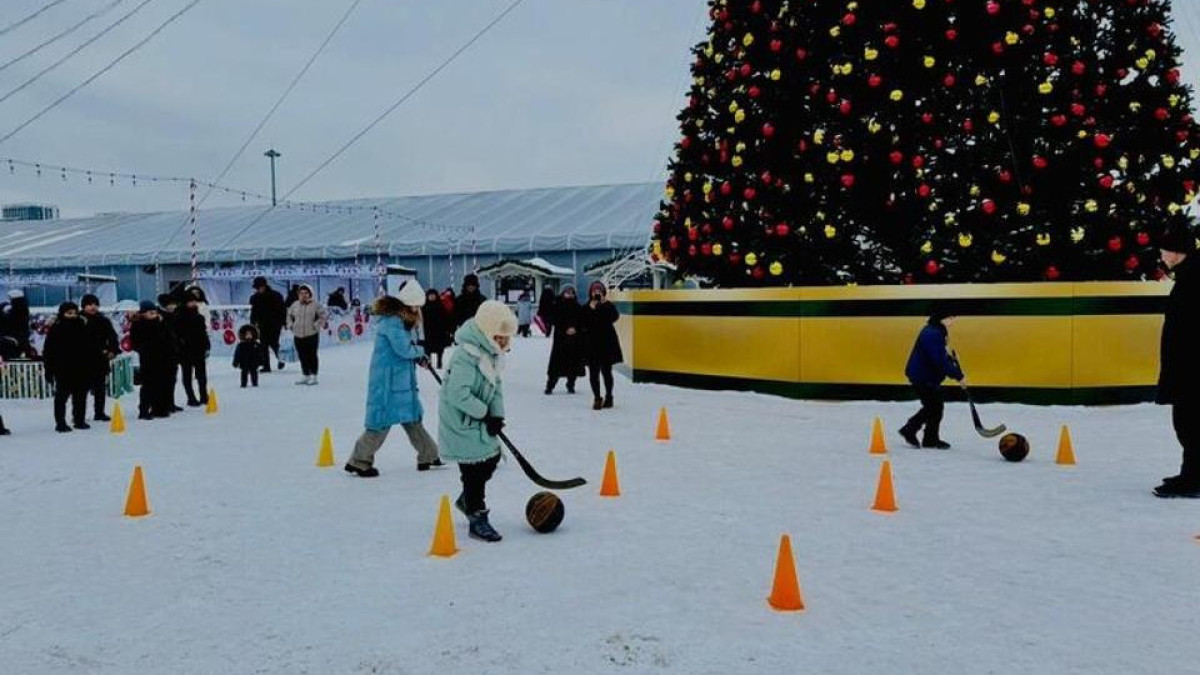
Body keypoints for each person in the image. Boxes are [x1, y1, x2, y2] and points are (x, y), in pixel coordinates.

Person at [345, 284, 442, 477]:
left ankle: (429, 454)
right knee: (380, 422)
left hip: (400, 380)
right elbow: (403, 349)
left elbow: (407, 348)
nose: (416, 309)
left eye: (418, 306)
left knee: (412, 417)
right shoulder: (392, 322)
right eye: (413, 306)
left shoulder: (402, 320)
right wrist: (420, 353)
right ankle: (359, 460)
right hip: (387, 382)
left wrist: (418, 356)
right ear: (404, 304)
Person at [439, 300, 516, 542]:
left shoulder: (490, 354)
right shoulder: (466, 356)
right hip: (461, 421)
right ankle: (476, 516)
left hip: (478, 419)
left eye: (506, 338)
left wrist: (497, 414)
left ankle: (468, 500)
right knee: (473, 470)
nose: (504, 342)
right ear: (486, 332)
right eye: (499, 337)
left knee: (491, 457)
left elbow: (496, 387)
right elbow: (458, 394)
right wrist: (484, 413)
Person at [1153, 227, 1200, 498]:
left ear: (1176, 252)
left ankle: (1194, 479)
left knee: (1191, 422)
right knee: (1186, 421)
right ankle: (1190, 474)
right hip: (1186, 364)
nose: (1161, 255)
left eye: (1164, 250)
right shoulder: (1188, 275)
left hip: (1192, 366)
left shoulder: (1194, 278)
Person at [898, 308, 965, 449]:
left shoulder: (936, 331)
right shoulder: (932, 333)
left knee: (935, 407)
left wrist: (950, 359)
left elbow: (939, 354)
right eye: (951, 318)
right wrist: (958, 376)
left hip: (927, 375)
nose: (953, 321)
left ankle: (929, 439)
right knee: (933, 406)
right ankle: (910, 430)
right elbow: (938, 359)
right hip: (922, 376)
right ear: (943, 318)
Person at [42, 302, 93, 432]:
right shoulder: (56, 329)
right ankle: (60, 422)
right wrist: (49, 370)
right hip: (63, 369)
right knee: (61, 397)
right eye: (69, 313)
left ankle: (79, 420)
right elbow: (48, 351)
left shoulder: (83, 327)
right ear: (62, 314)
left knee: (80, 396)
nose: (72, 316)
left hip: (81, 368)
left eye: (75, 313)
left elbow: (90, 348)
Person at [582, 281, 623, 410]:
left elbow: (615, 317)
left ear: (603, 292)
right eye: (594, 291)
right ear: (591, 293)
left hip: (607, 343)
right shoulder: (586, 306)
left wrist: (604, 304)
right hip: (591, 344)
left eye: (599, 291)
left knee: (607, 372)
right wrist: (591, 308)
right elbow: (582, 322)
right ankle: (597, 398)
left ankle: (609, 396)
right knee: (593, 373)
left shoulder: (608, 305)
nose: (597, 293)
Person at [131, 300, 174, 420]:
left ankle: (160, 409)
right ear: (143, 314)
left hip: (163, 358)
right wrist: (144, 349)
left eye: (154, 312)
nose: (153, 314)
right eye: (150, 312)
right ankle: (144, 410)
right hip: (148, 359)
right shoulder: (139, 325)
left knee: (162, 385)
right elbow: (135, 342)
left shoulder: (161, 323)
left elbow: (168, 338)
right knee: (148, 385)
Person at [80, 294, 119, 422]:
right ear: (84, 306)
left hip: (100, 359)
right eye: (90, 304)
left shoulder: (103, 320)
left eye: (95, 304)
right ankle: (79, 415)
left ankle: (99, 412)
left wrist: (113, 350)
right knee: (81, 390)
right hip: (83, 360)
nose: (93, 307)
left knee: (100, 388)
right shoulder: (79, 320)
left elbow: (112, 336)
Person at [546, 285, 585, 395]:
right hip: (560, 339)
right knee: (556, 364)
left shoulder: (577, 306)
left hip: (574, 340)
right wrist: (565, 328)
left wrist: (575, 329)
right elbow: (554, 319)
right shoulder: (557, 305)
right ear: (563, 293)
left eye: (571, 292)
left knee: (573, 363)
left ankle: (571, 384)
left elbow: (582, 321)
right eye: (567, 292)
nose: (569, 294)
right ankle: (550, 385)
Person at [287, 284, 327, 385]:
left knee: (312, 355)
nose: (304, 295)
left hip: (311, 334)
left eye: (306, 293)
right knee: (302, 355)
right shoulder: (295, 305)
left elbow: (322, 316)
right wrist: (291, 325)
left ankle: (313, 375)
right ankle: (305, 374)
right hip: (298, 334)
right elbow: (289, 316)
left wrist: (316, 325)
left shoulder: (316, 305)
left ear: (310, 294)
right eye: (301, 293)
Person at [178, 293, 211, 407]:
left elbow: (203, 332)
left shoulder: (199, 317)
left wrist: (207, 345)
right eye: (190, 301)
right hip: (185, 350)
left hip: (199, 349)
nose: (193, 303)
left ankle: (204, 395)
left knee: (201, 374)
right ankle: (191, 397)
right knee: (187, 374)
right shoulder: (179, 316)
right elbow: (177, 334)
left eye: (194, 301)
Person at [249, 276, 286, 372]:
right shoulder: (255, 298)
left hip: (274, 324)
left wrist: (283, 322)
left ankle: (281, 359)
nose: (258, 289)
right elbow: (254, 312)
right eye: (256, 288)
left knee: (274, 343)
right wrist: (252, 323)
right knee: (263, 345)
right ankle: (266, 366)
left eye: (259, 287)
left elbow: (282, 310)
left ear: (264, 286)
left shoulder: (275, 296)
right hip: (262, 324)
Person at [157, 293, 185, 412]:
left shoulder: (175, 316)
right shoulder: (160, 317)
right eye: (171, 304)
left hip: (174, 351)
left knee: (172, 378)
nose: (174, 306)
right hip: (163, 352)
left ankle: (171, 402)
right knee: (164, 379)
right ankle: (164, 403)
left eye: (174, 304)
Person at [422, 288, 451, 369]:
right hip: (428, 331)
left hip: (439, 331)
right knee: (428, 348)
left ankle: (439, 362)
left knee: (440, 349)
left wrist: (447, 329)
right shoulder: (424, 307)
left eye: (433, 295)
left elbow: (446, 318)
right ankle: (428, 363)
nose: (431, 297)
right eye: (430, 295)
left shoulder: (440, 306)